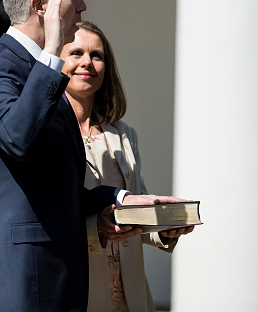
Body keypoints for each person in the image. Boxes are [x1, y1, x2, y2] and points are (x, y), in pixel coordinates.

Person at [0, 0, 186, 311]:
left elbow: (56, 187)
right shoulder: (0, 68)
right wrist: (52, 51)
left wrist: (121, 200)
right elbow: (17, 140)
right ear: (42, 7)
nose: (83, 6)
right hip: (21, 279)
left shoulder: (44, 75)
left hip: (60, 279)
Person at [60, 21, 194, 312]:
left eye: (97, 55)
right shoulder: (48, 131)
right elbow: (52, 214)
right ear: (58, 62)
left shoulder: (123, 134)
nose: (87, 62)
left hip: (129, 293)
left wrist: (164, 229)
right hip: (80, 289)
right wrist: (98, 228)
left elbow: (135, 209)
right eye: (76, 53)